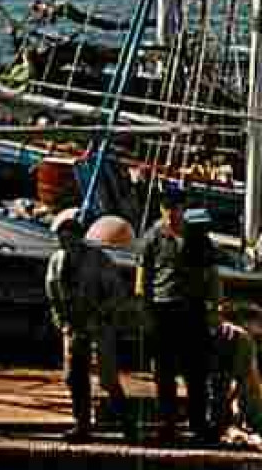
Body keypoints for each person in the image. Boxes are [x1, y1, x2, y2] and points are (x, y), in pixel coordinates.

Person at [136, 187, 220, 444]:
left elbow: (212, 275)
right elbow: (142, 276)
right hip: (163, 309)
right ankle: (167, 424)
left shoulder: (199, 238)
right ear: (162, 209)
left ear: (184, 209)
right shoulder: (152, 237)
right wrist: (144, 310)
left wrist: (215, 308)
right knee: (164, 372)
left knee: (196, 371)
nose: (172, 213)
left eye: (176, 208)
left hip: (193, 310)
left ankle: (198, 424)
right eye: (167, 208)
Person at [44, 211, 129, 441]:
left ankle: (127, 424)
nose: (65, 242)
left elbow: (118, 293)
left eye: (70, 237)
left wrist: (102, 314)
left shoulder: (98, 259)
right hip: (72, 326)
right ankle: (82, 425)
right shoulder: (56, 261)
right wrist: (61, 322)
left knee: (107, 378)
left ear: (79, 237)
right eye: (61, 238)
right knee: (73, 376)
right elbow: (52, 295)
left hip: (99, 325)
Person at [211, 317, 262, 438]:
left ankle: (252, 422)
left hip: (234, 341)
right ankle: (247, 421)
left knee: (244, 384)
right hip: (231, 340)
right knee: (240, 384)